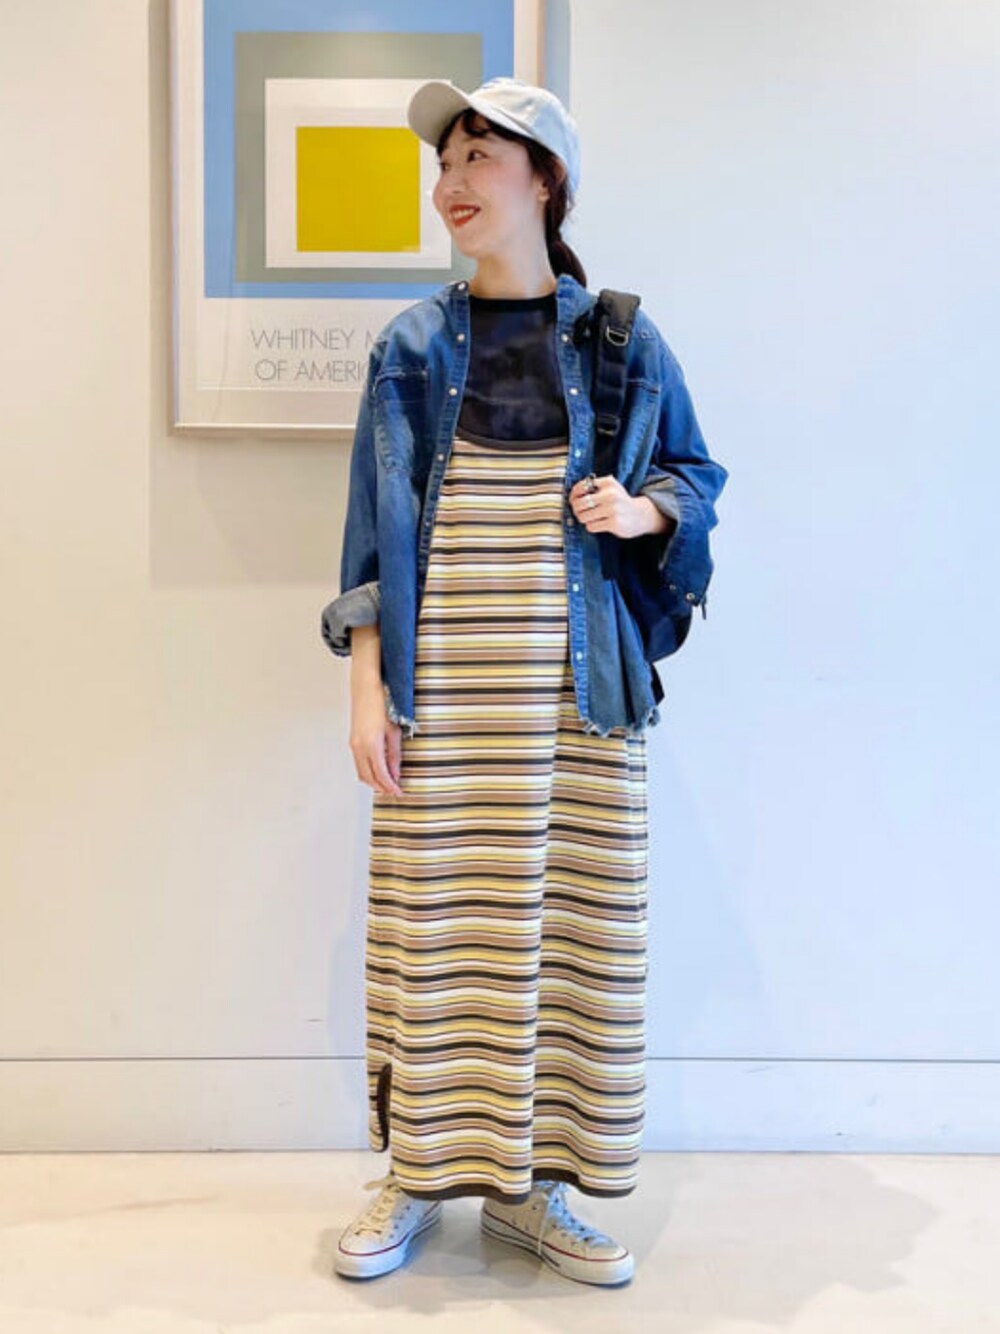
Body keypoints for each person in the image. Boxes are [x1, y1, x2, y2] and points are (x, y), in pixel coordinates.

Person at [321, 76, 728, 1287]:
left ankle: (533, 1188)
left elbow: (697, 477)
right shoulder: (411, 345)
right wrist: (366, 687)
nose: (450, 181)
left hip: (578, 700)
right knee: (435, 938)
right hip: (443, 698)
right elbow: (368, 537)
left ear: (544, 181)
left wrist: (640, 507)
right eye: (444, 161)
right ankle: (415, 1173)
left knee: (566, 943)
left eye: (478, 156)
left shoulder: (620, 339)